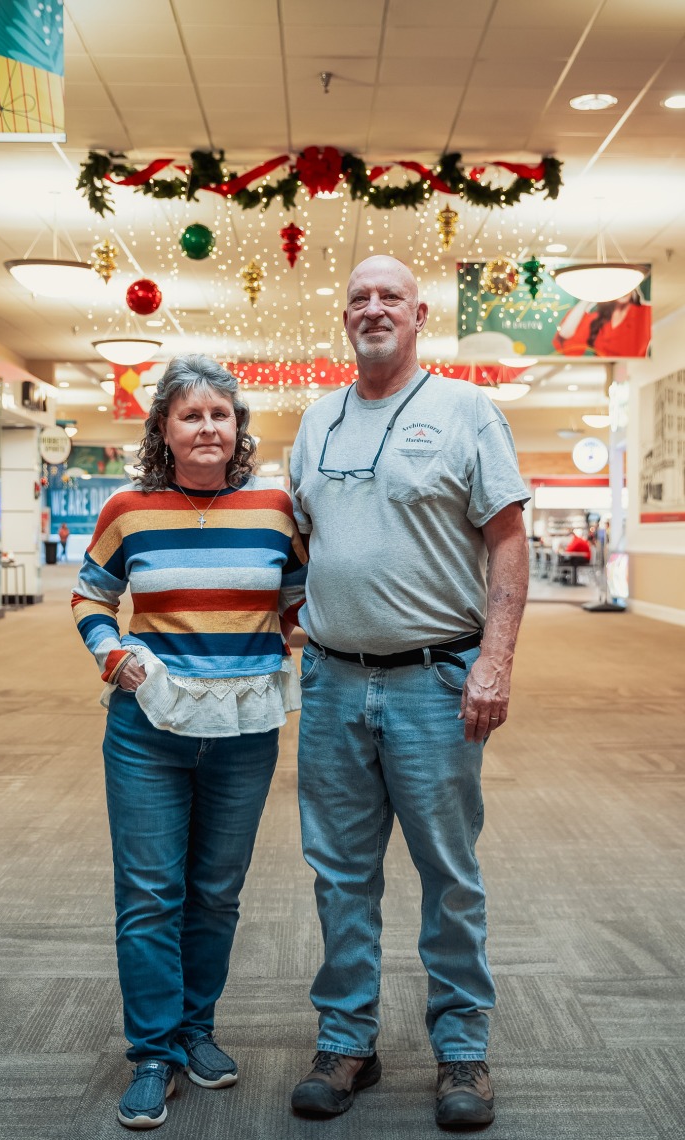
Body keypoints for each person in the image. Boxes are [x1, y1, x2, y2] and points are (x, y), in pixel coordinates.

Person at [288, 256, 529, 1129]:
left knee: (448, 874)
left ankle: (462, 1052)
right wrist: (296, 616)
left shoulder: (467, 410)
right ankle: (347, 1040)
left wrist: (495, 662)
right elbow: (304, 541)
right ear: (344, 317)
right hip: (333, 685)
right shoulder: (316, 421)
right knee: (339, 874)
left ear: (419, 314)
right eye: (359, 297)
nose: (374, 308)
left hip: (437, 680)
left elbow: (508, 541)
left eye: (390, 296)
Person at [71, 355, 306, 1130]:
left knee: (215, 894)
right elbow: (91, 596)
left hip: (244, 733)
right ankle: (152, 1052)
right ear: (164, 431)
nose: (208, 427)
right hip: (148, 730)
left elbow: (300, 602)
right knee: (149, 897)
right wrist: (115, 655)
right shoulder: (130, 508)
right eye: (191, 415)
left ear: (238, 429)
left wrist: (313, 637)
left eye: (221, 415)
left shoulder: (276, 509)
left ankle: (196, 1030)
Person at [552, 289, 650, 357]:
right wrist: (589, 298)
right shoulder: (598, 320)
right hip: (599, 376)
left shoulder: (645, 313)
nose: (623, 291)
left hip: (636, 374)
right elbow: (564, 334)